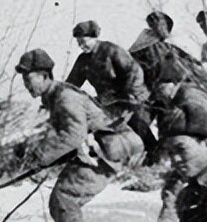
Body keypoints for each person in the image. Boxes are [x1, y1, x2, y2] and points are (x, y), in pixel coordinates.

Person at [15, 48, 144, 222]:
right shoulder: (55, 97)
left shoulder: (65, 97)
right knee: (61, 201)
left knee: (65, 197)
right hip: (99, 151)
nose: (26, 84)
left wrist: (40, 156)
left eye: (29, 78)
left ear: (45, 76)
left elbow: (72, 135)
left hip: (105, 151)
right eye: (24, 79)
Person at [65, 20, 154, 151]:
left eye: (84, 42)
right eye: (79, 43)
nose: (81, 46)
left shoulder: (111, 50)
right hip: (109, 102)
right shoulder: (83, 60)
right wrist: (58, 95)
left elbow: (134, 71)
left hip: (133, 97)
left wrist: (130, 95)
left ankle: (155, 153)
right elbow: (72, 83)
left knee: (138, 124)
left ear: (94, 37)